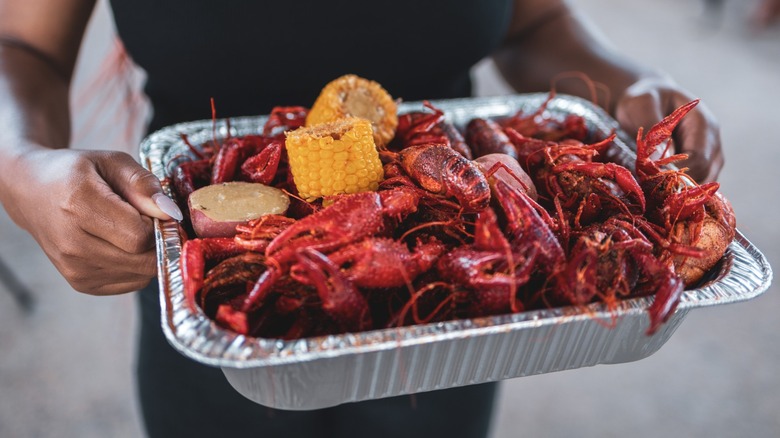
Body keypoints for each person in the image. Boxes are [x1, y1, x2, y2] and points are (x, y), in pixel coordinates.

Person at [0, 0, 724, 437]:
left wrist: (634, 82)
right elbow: (23, 47)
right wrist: (21, 163)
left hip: (456, 296)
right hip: (215, 265)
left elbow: (537, 20)